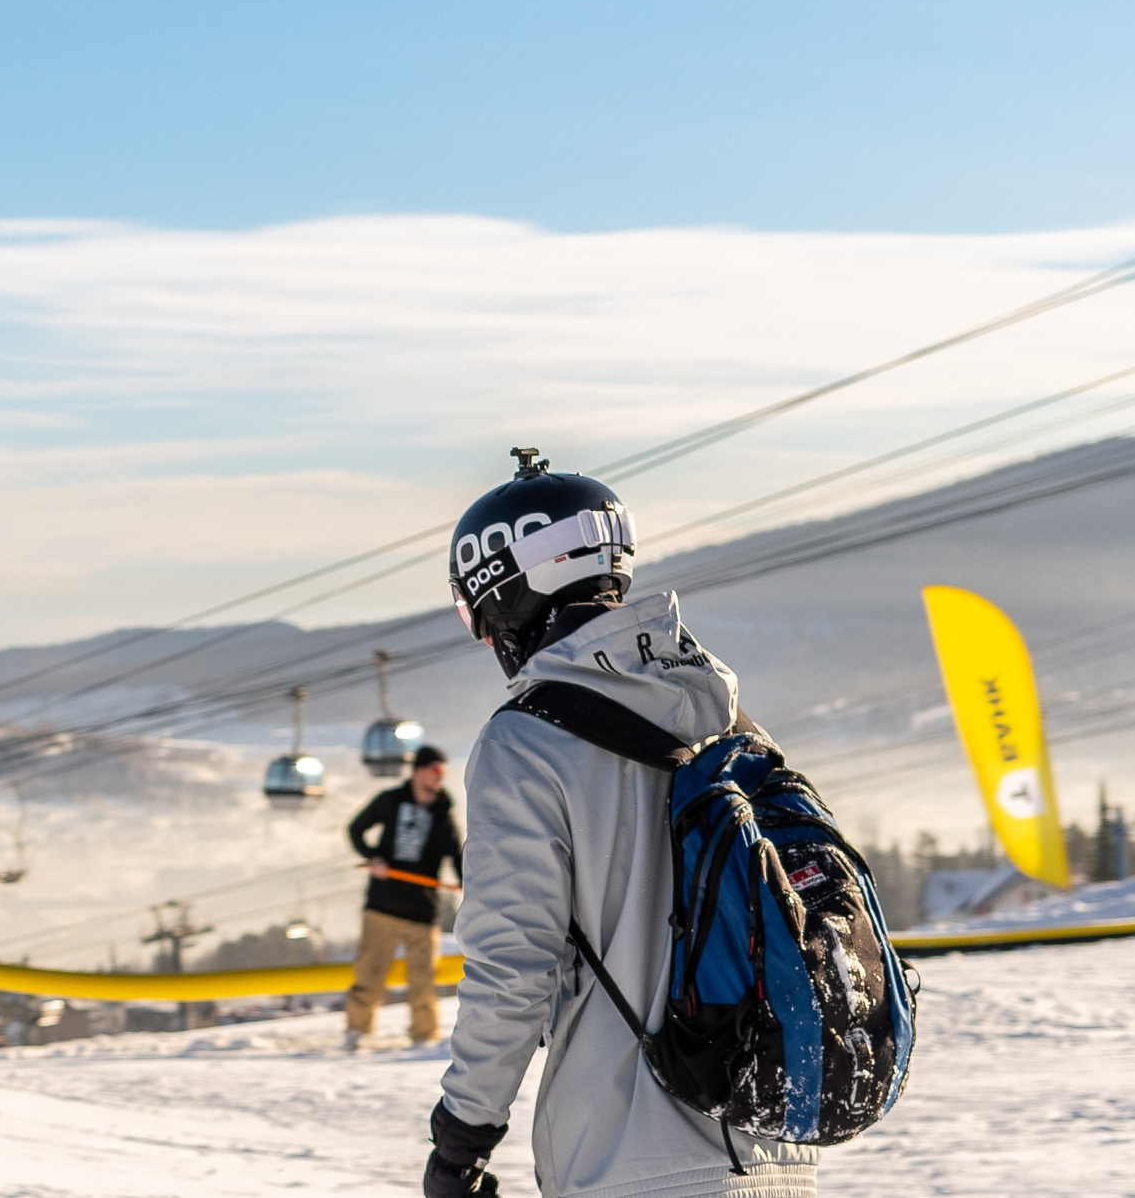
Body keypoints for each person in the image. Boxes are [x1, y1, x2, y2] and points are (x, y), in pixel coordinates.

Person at [423, 449, 817, 1198]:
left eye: (476, 614)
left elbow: (512, 967)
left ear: (506, 594)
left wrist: (461, 1139)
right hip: (776, 1154)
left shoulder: (524, 742)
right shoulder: (730, 718)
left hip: (627, 1160)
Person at [342, 742, 459, 1052]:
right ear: (418, 772)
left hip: (423, 911)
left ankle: (424, 1037)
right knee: (369, 974)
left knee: (423, 981)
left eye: (443, 773)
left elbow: (458, 857)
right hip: (383, 906)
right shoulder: (390, 801)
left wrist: (469, 885)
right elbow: (356, 829)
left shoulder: (443, 815)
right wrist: (373, 857)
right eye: (435, 771)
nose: (440, 778)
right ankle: (357, 1031)